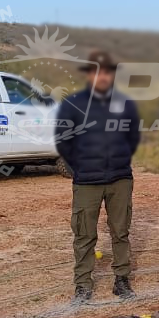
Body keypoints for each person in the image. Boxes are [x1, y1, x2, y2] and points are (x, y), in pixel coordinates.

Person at [55, 50, 140, 302]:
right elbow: (63, 141)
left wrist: (120, 161)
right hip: (87, 182)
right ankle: (83, 285)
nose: (102, 76)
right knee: (84, 235)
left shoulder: (125, 103)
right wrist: (78, 170)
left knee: (121, 232)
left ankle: (121, 280)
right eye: (97, 71)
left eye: (107, 71)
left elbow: (132, 138)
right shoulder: (73, 104)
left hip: (120, 179)